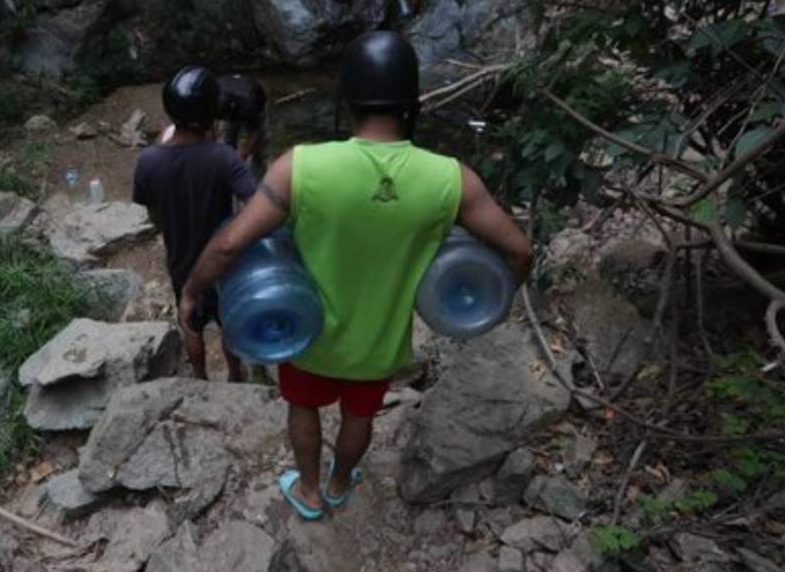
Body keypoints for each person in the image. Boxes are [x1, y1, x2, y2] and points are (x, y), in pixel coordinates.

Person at [179, 32, 531, 520]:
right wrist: (491, 301)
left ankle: (307, 489)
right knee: (358, 415)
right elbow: (517, 249)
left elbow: (230, 244)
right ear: (412, 100)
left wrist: (193, 290)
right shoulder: (452, 179)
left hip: (305, 331)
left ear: (346, 97)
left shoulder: (300, 167)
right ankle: (340, 482)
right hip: (378, 343)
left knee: (303, 407)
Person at [133, 66, 258, 381]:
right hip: (222, 262)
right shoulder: (223, 157)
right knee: (228, 321)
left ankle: (200, 378)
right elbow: (257, 204)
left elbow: (152, 215)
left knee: (190, 319)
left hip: (180, 259)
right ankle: (234, 373)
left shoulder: (148, 160)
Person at [217, 74, 269, 179]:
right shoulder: (213, 94)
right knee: (226, 140)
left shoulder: (251, 104)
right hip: (234, 100)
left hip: (254, 102)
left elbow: (255, 134)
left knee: (258, 150)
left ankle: (259, 180)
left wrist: (242, 157)